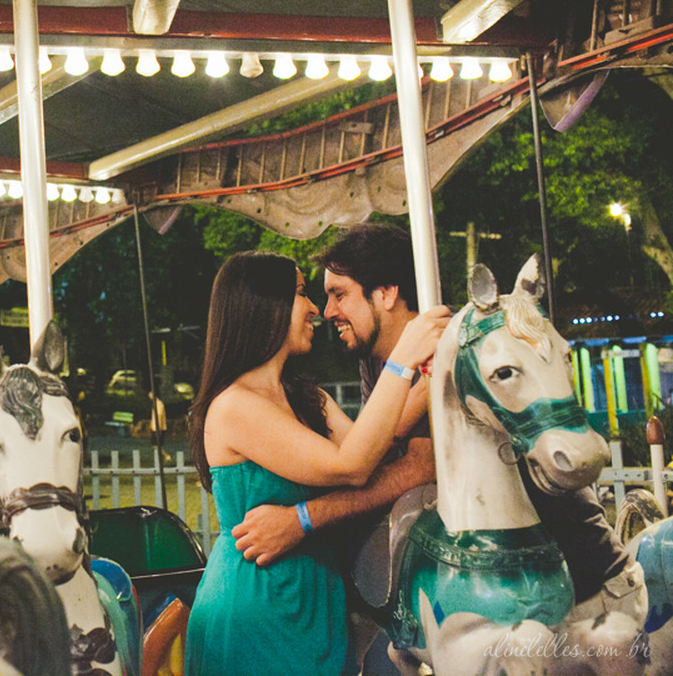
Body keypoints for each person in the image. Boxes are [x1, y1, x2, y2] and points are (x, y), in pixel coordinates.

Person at [233, 223, 644, 627]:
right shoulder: (377, 362)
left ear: (387, 292)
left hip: (570, 576)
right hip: (494, 581)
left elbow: (418, 468)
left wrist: (303, 520)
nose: (328, 312)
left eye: (338, 294)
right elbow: (369, 449)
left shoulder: (453, 352)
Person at [184, 251, 448, 676]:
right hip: (257, 610)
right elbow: (352, 465)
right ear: (262, 306)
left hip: (317, 602)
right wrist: (404, 355)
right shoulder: (233, 406)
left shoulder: (306, 397)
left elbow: (381, 437)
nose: (313, 310)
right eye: (301, 294)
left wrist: (439, 365)